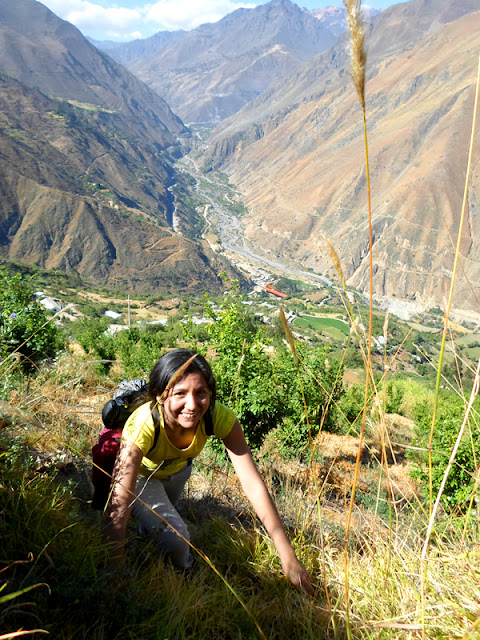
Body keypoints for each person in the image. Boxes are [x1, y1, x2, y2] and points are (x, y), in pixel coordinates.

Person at [105, 348, 313, 595]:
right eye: (180, 393)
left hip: (178, 471)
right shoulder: (142, 426)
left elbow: (253, 484)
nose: (192, 406)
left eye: (201, 393)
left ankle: (145, 532)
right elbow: (121, 496)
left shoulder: (217, 417)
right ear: (161, 396)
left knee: (160, 526)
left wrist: (288, 557)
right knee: (176, 538)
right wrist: (111, 570)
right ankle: (185, 574)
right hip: (142, 478)